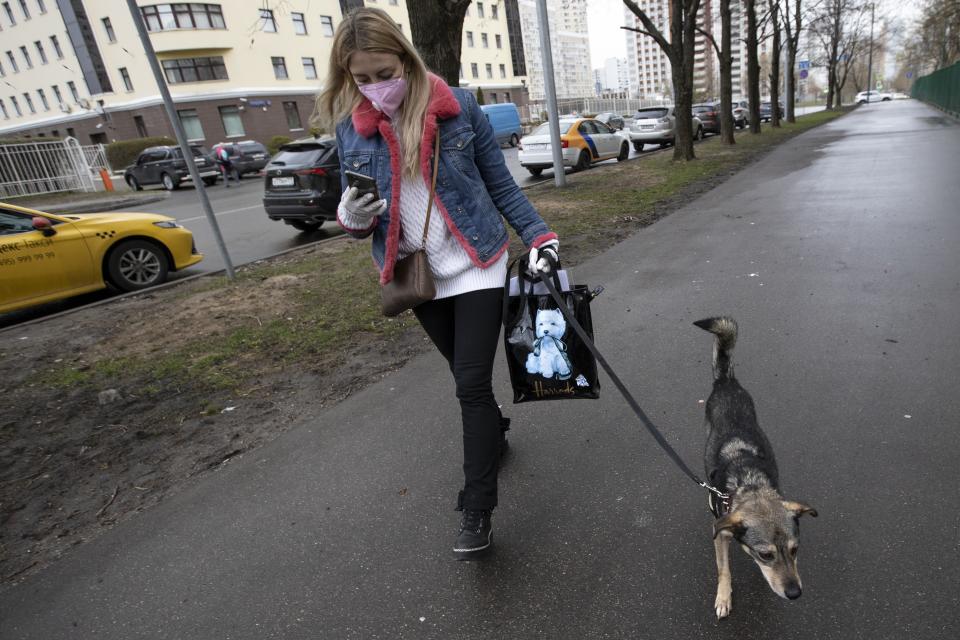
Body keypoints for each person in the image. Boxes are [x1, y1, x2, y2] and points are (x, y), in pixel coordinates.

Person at [315, 7, 560, 560]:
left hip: (477, 262)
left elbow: (501, 184)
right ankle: (494, 432)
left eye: (385, 72)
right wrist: (351, 214)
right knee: (463, 373)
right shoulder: (349, 129)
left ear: (406, 59)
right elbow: (359, 227)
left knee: (469, 383)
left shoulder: (458, 109)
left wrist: (539, 236)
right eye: (363, 78)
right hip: (416, 275)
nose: (377, 87)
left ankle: (477, 508)